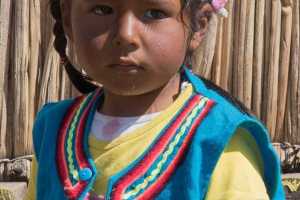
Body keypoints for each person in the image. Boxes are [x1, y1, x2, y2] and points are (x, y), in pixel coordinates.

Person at [26, 0, 285, 199]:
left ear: (199, 25)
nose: (125, 34)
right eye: (103, 9)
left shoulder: (220, 147)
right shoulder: (53, 130)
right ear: (68, 18)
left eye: (153, 13)